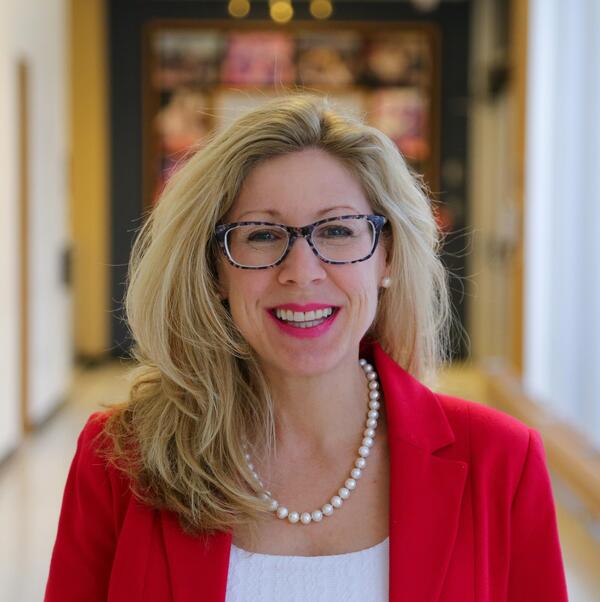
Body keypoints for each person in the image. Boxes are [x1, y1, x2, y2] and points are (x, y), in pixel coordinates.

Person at [45, 94, 569, 601]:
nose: (302, 272)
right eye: (262, 235)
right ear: (215, 269)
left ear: (386, 257)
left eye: (338, 229)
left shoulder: (502, 460)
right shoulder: (120, 458)